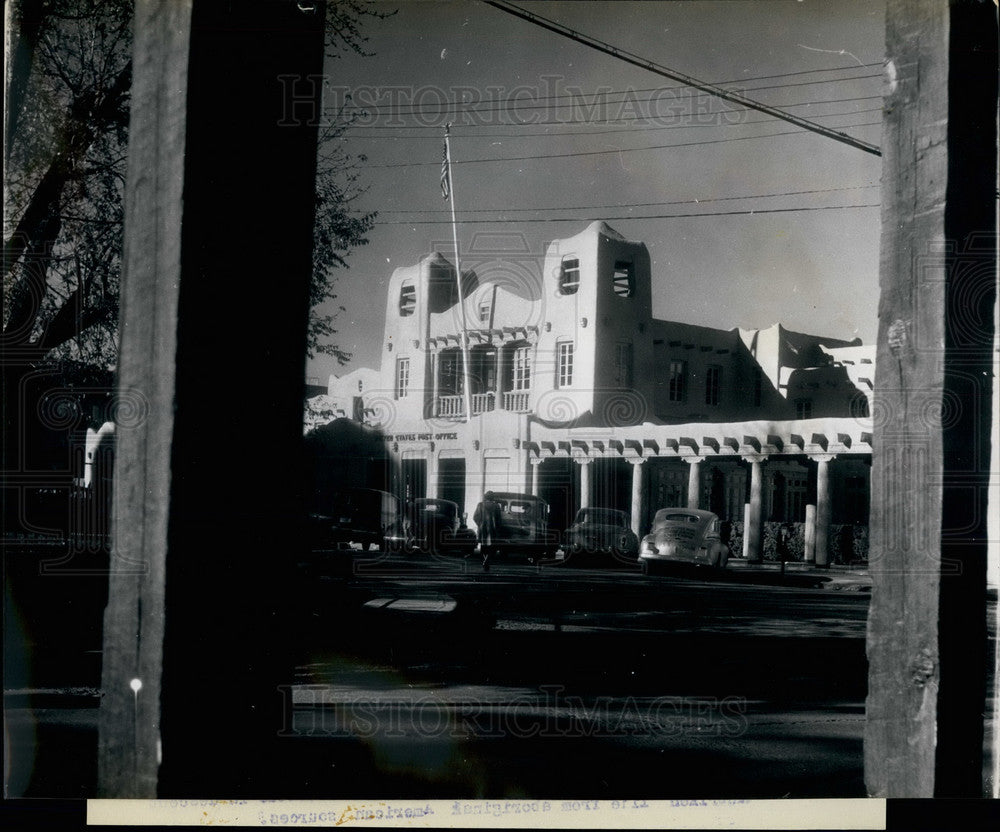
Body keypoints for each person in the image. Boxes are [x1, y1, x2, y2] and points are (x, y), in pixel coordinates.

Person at [473, 491, 501, 572]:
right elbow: (499, 520)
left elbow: (475, 517)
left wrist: (480, 524)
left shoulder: (480, 505)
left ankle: (485, 560)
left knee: (483, 547)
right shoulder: (496, 506)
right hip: (492, 529)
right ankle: (487, 560)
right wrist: (498, 528)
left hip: (483, 529)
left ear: (485, 497)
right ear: (493, 497)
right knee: (492, 547)